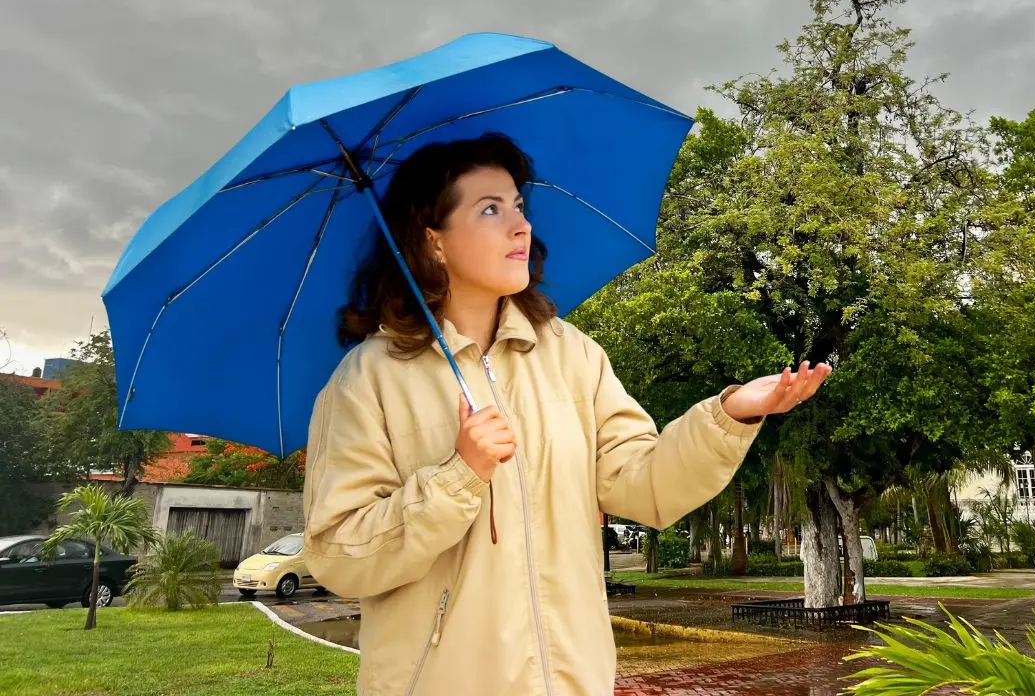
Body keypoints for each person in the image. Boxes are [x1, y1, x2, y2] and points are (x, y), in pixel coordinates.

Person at [301, 133, 831, 695]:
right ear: (433, 241)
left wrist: (730, 415)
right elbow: (339, 556)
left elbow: (641, 484)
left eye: (518, 207)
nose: (519, 226)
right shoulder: (368, 380)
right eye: (489, 210)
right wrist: (458, 476)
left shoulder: (572, 354)